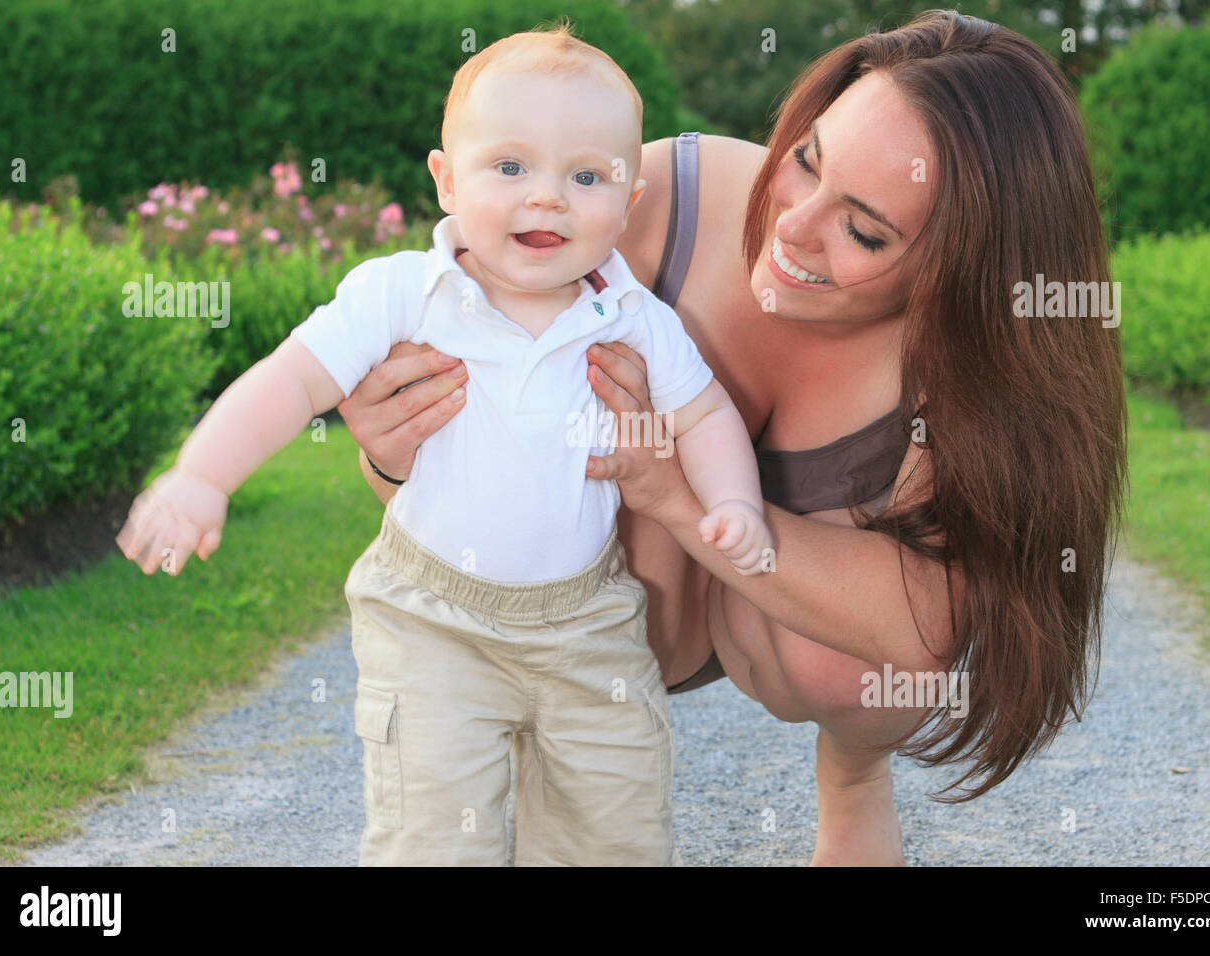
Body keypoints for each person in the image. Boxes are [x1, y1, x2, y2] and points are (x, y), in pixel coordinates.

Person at [340, 10, 1129, 865]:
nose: (793, 226)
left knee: (856, 670)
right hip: (599, 603)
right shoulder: (630, 201)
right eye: (807, 161)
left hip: (771, 588)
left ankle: (855, 773)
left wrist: (683, 499)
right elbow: (444, 499)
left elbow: (923, 628)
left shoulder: (968, 373)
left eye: (864, 230)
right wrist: (392, 452)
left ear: (961, 269)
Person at [114, 26, 775, 865]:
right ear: (446, 179)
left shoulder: (635, 319)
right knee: (432, 833)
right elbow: (292, 379)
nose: (547, 199)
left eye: (585, 176)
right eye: (510, 168)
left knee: (613, 826)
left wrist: (733, 503)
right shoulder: (402, 294)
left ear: (630, 199)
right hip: (433, 619)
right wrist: (203, 477)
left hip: (588, 621)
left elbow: (705, 415)